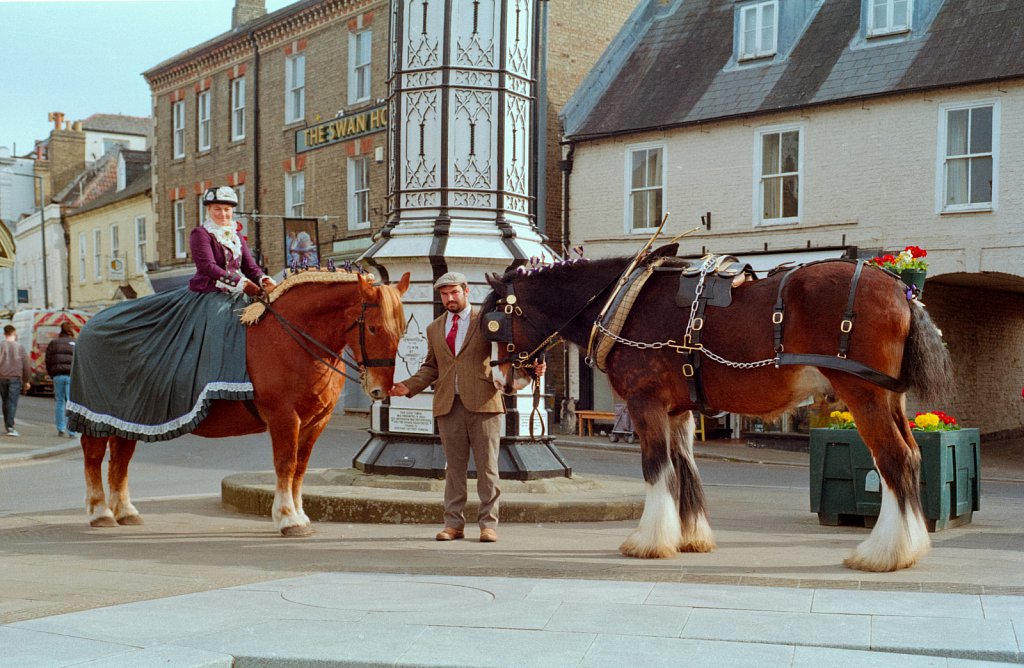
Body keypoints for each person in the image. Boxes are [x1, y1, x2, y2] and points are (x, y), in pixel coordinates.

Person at [67, 186, 276, 441]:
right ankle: (208, 385)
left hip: (236, 294)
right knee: (219, 323)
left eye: (227, 210)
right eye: (217, 209)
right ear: (209, 210)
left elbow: (250, 266)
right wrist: (242, 283)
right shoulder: (201, 234)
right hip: (208, 295)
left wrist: (265, 280)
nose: (223, 214)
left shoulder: (235, 234)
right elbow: (208, 267)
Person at [389, 272, 544, 543]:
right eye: (444, 294)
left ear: (466, 291)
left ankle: (488, 525)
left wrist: (532, 367)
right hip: (448, 405)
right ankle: (453, 524)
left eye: (454, 292)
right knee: (454, 470)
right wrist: (409, 386)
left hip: (484, 403)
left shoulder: (487, 321)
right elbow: (431, 367)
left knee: (487, 469)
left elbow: (508, 352)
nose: (449, 298)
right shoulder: (434, 328)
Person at [45, 321, 78, 437]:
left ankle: (61, 428)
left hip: (58, 375)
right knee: (71, 403)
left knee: (59, 402)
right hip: (72, 376)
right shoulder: (76, 342)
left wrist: (51, 374)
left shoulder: (54, 343)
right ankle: (72, 431)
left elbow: (48, 360)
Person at [0, 325, 31, 437]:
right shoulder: (20, 347)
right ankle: (10, 426)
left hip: (2, 377)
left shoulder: (0, 346)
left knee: (5, 401)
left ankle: (7, 424)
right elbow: (26, 365)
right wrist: (26, 380)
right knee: (12, 402)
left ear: (4, 334)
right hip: (15, 378)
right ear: (14, 333)